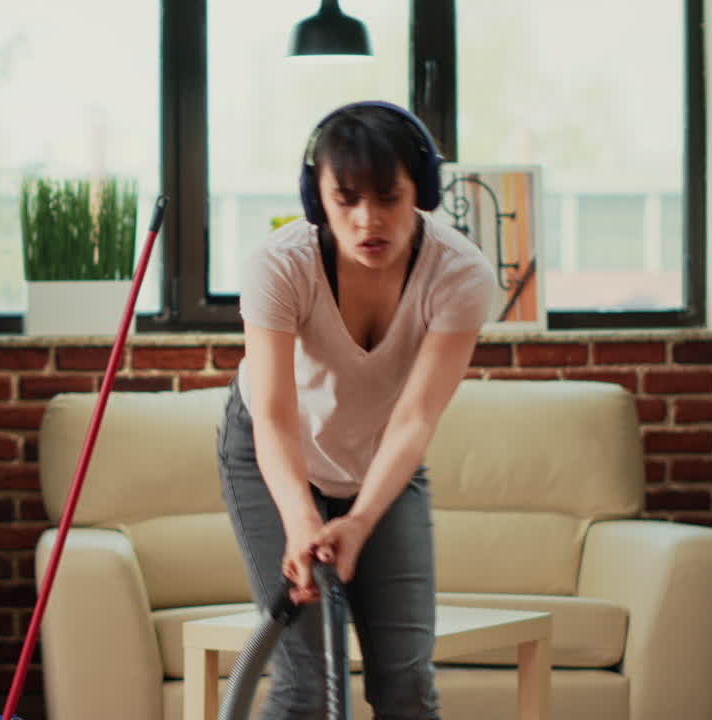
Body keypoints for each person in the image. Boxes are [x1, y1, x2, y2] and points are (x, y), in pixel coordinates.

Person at [217, 100, 498, 720]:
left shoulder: (460, 275)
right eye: (345, 200)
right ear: (317, 199)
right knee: (308, 687)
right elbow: (275, 415)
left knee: (405, 686)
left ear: (419, 193)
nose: (368, 219)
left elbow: (415, 419)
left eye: (388, 198)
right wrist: (299, 520)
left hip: (382, 462)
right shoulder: (279, 266)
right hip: (273, 457)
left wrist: (362, 517)